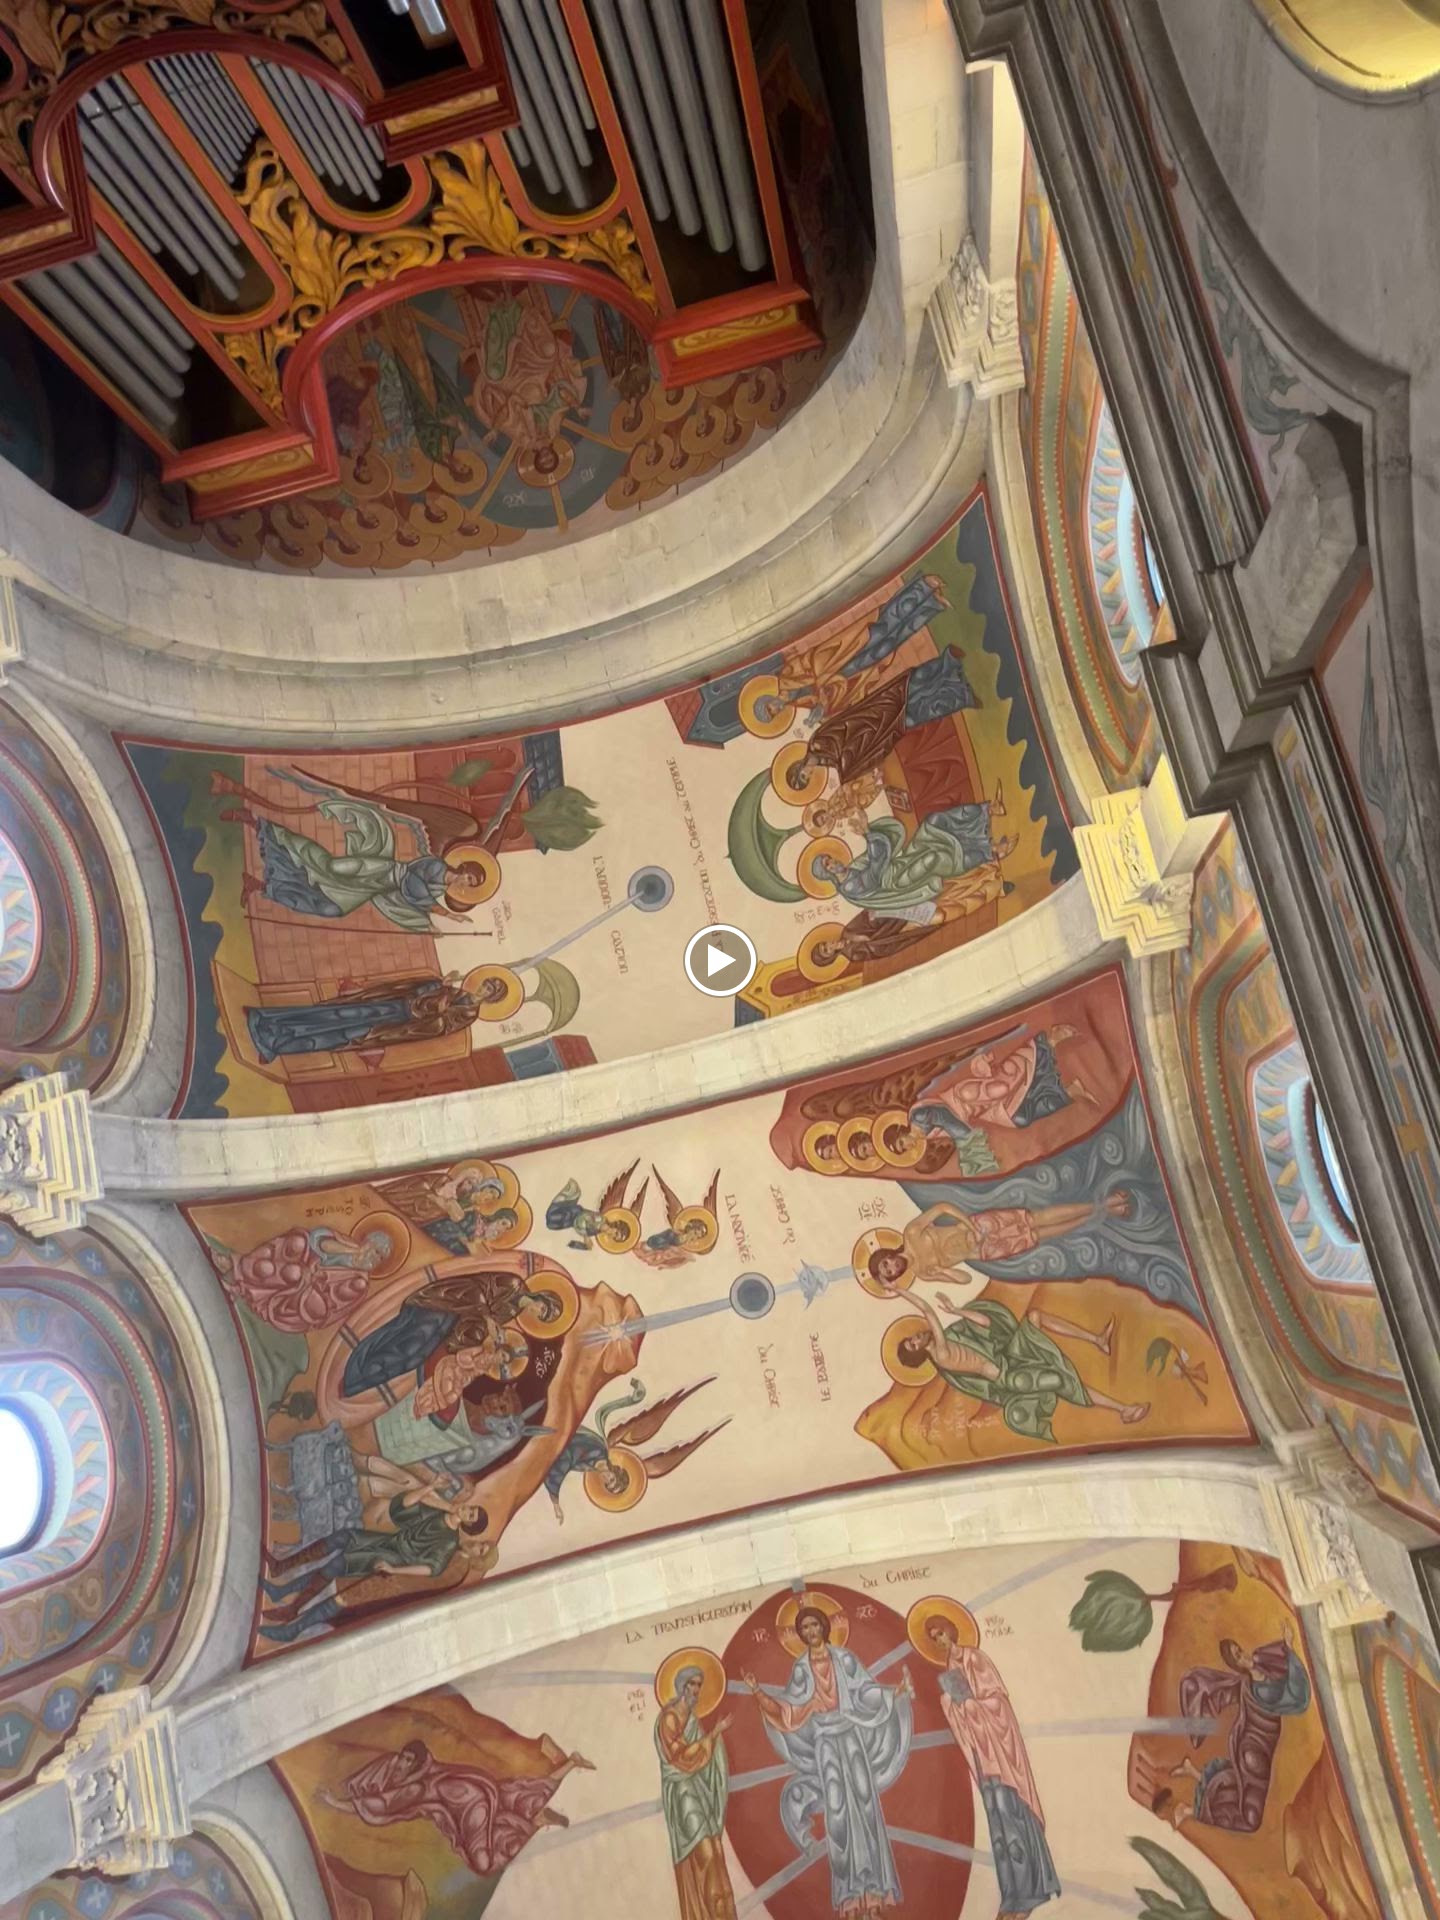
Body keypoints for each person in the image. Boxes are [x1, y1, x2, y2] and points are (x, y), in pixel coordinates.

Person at [745, 1604, 914, 1916]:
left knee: (865, 1802)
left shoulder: (845, 1659)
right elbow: (790, 1710)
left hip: (850, 1735)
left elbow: (865, 1692)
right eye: (804, 1628)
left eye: (814, 1625)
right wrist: (759, 1694)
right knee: (837, 1810)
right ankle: (849, 1895)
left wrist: (892, 1693)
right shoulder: (801, 1669)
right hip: (825, 1741)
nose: (810, 1632)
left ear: (824, 1626)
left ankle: (875, 1892)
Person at [926, 1616, 1059, 1920]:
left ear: (951, 1632)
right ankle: (1011, 1897)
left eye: (941, 1633)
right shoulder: (949, 1670)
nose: (940, 1641)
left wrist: (969, 1705)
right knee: (998, 1828)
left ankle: (1030, 1893)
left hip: (1000, 1757)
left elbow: (997, 1703)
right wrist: (952, 1704)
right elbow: (960, 1717)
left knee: (1012, 1820)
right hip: (983, 1758)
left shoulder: (975, 1659)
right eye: (934, 1638)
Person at [891, 1289, 1149, 1442]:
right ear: (920, 1353)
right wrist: (900, 1291)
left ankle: (1097, 1340)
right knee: (1060, 1380)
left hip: (1009, 1358)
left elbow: (985, 1323)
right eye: (913, 1344)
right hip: (1009, 1376)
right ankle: (1123, 1409)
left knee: (1034, 1317)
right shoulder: (941, 1354)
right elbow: (927, 1310)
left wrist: (957, 1310)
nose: (916, 1337)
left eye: (911, 1338)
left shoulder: (951, 1337)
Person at [323, 1736, 594, 1876]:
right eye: (402, 1759)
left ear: (417, 1763)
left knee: (485, 1863)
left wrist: (336, 1803)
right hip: (481, 1791)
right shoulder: (427, 1769)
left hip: (472, 1807)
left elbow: (383, 1803)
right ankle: (571, 1763)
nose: (401, 1765)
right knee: (522, 1797)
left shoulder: (418, 1787)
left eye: (407, 1761)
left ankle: (537, 1822)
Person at [257, 1484, 495, 1642]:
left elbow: (431, 1568)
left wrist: (394, 1569)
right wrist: (431, 1487)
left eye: (470, 1515)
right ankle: (281, 1574)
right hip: (387, 1543)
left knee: (338, 1565)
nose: (467, 1510)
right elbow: (404, 1507)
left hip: (394, 1557)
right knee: (343, 1536)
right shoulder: (439, 1513)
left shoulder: (449, 1544)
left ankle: (292, 1620)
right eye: (471, 1508)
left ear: (468, 1526)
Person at [220, 806, 488, 931]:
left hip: (372, 889)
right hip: (378, 871)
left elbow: (414, 897)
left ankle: (261, 886)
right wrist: (445, 914)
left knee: (332, 909)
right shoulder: (437, 867)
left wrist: (438, 913)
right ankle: (259, 824)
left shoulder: (440, 889)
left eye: (470, 885)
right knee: (331, 866)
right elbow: (412, 884)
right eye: (468, 878)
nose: (465, 884)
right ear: (463, 868)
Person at [1156, 1627, 1311, 1834]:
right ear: (1236, 1665)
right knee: (1250, 1819)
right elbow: (1294, 1697)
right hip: (1253, 1751)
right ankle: (1189, 1811)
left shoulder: (1257, 1669)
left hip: (1253, 1743)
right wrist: (1290, 1648)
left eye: (1240, 1650)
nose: (1244, 1656)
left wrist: (1288, 1647)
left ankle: (1193, 1773)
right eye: (1238, 1656)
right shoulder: (1258, 1687)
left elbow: (1279, 1670)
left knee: (1240, 1785)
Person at [341, 1269, 562, 1403]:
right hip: (444, 1300)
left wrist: (475, 1341)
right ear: (541, 1297)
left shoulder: (513, 1311)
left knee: (415, 1357)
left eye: (541, 1316)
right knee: (411, 1343)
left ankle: (357, 1383)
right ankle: (357, 1366)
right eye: (543, 1308)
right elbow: (475, 1288)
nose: (537, 1312)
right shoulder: (514, 1284)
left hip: (453, 1319)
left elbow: (477, 1324)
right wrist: (488, 1318)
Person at [246, 972, 503, 1064]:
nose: (484, 989)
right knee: (335, 1013)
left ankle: (277, 1045)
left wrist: (440, 1009)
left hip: (393, 1026)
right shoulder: (455, 990)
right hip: (391, 1004)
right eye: (486, 984)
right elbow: (417, 991)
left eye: (489, 990)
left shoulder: (468, 1015)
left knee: (337, 1036)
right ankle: (269, 1020)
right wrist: (437, 984)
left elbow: (437, 1028)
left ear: (490, 999)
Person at [872, 1195, 1133, 1282]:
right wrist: (942, 1271)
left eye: (886, 1264)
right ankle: (1107, 1212)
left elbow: (942, 1207)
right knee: (1039, 1234)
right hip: (986, 1251)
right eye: (890, 1273)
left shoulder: (911, 1233)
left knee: (1036, 1218)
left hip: (978, 1228)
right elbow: (964, 1279)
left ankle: (1105, 1202)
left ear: (887, 1255)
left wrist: (969, 1226)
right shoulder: (923, 1273)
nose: (893, 1267)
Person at [656, 1669, 737, 1920]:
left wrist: (714, 1738)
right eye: (692, 1684)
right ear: (682, 1686)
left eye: (699, 1685)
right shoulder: (669, 1718)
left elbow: (705, 1757)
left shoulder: (692, 1719)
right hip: (682, 1793)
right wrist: (714, 1733)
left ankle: (724, 1913)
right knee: (707, 1854)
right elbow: (679, 1757)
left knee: (717, 1852)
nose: (696, 1690)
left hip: (699, 1789)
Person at [213, 1222, 394, 1333]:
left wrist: (312, 1279)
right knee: (297, 1242)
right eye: (374, 1249)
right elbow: (318, 1242)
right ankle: (238, 1269)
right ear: (366, 1243)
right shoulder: (350, 1246)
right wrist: (351, 1250)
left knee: (294, 1273)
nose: (374, 1257)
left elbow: (330, 1301)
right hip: (307, 1268)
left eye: (380, 1257)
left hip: (308, 1303)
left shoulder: (359, 1283)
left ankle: (237, 1278)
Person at [913, 1028, 1093, 1137]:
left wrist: (970, 1145)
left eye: (902, 1144)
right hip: (984, 1110)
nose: (908, 1147)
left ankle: (1050, 1041)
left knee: (1001, 1087)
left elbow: (945, 1119)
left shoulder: (918, 1117)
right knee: (1020, 1119)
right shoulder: (926, 1138)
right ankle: (1070, 1091)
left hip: (965, 1097)